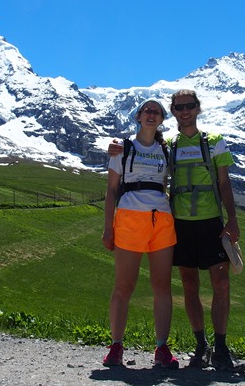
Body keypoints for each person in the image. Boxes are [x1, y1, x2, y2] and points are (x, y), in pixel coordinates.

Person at [108, 89, 245, 372]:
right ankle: (199, 345)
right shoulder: (162, 145)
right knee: (187, 285)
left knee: (217, 284)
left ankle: (216, 347)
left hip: (201, 222)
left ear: (198, 108)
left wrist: (232, 219)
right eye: (179, 107)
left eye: (190, 106)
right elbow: (119, 179)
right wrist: (114, 147)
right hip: (176, 223)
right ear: (172, 112)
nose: (185, 111)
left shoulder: (209, 142)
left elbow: (224, 182)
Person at [102, 99, 179, 369]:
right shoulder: (122, 148)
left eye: (156, 111)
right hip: (129, 218)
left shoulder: (167, 151)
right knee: (124, 286)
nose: (151, 114)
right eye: (146, 110)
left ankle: (161, 348)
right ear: (137, 116)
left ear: (161, 120)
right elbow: (111, 190)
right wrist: (107, 227)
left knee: (162, 286)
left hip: (162, 219)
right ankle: (116, 346)